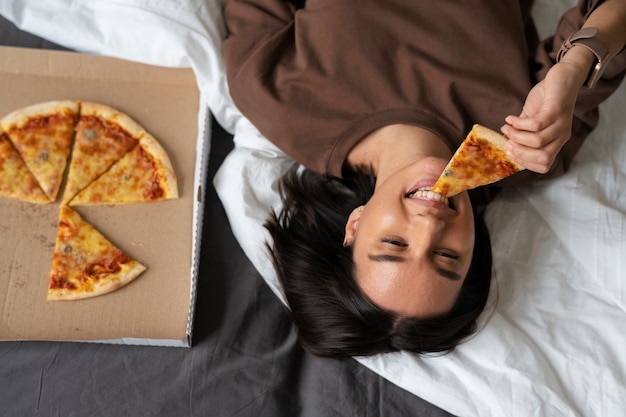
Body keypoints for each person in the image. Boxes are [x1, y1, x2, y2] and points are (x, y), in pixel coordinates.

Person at [222, 0, 626, 358]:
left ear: (355, 225)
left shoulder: (272, 94)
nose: (431, 226)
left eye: (395, 243)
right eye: (448, 256)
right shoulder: (531, 145)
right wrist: (574, 68)